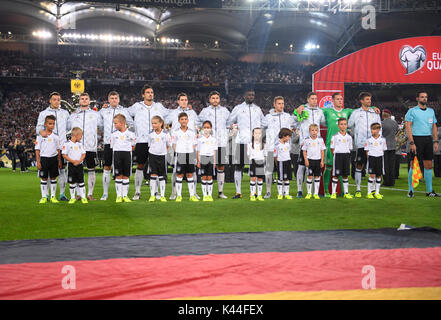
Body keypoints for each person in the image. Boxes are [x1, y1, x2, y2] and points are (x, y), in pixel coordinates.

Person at [321, 93, 380, 197]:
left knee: (342, 168)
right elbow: (313, 109)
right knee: (329, 167)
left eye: (341, 99)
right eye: (338, 99)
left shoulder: (347, 111)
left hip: (343, 146)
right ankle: (326, 191)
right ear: (333, 101)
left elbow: (363, 108)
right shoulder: (327, 111)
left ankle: (344, 191)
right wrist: (302, 106)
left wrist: (373, 107)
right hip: (331, 143)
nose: (340, 101)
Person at [128, 85, 169, 201]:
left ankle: (155, 192)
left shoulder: (159, 106)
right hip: (142, 141)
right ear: (143, 95)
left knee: (154, 168)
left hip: (156, 141)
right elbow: (125, 113)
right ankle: (137, 191)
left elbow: (170, 114)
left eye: (151, 92)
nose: (150, 94)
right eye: (147, 92)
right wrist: (133, 125)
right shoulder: (137, 106)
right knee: (140, 166)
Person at [227, 89, 267, 199]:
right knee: (238, 167)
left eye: (253, 95)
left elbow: (264, 123)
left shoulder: (257, 109)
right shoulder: (238, 108)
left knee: (257, 168)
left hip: (255, 144)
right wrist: (234, 128)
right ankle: (238, 192)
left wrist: (258, 134)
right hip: (242, 142)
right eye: (249, 95)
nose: (251, 96)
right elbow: (229, 122)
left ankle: (255, 193)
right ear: (244, 96)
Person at [67, 92, 103, 201]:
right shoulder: (73, 115)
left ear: (89, 101)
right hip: (76, 147)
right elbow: (68, 127)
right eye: (82, 98)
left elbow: (101, 128)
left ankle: (90, 194)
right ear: (79, 101)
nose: (84, 100)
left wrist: (95, 137)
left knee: (91, 169)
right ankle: (79, 194)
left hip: (90, 146)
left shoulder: (95, 114)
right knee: (77, 169)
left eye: (86, 98)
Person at [99, 91, 133, 201]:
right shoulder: (103, 111)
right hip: (108, 143)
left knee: (122, 170)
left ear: (118, 99)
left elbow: (131, 124)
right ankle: (105, 193)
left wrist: (126, 135)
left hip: (122, 144)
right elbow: (99, 125)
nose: (114, 100)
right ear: (108, 100)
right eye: (112, 98)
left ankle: (123, 195)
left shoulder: (124, 111)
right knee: (107, 167)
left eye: (116, 98)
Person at [405, 91, 440, 197]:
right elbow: (408, 127)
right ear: (417, 99)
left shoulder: (431, 111)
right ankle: (410, 190)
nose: (424, 99)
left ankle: (429, 191)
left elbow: (434, 126)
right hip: (416, 139)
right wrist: (411, 142)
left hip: (428, 140)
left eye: (426, 97)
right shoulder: (412, 111)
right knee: (413, 165)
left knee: (429, 165)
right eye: (422, 97)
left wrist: (435, 141)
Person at [167, 93, 201, 200]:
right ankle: (174, 193)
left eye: (186, 100)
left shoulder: (192, 113)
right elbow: (165, 124)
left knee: (192, 171)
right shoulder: (173, 113)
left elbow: (198, 125)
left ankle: (194, 192)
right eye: (182, 100)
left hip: (190, 147)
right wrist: (169, 137)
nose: (184, 102)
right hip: (177, 146)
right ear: (178, 101)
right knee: (176, 171)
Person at [36, 92, 70, 201]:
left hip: (62, 146)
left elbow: (69, 126)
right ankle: (47, 195)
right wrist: (42, 133)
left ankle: (62, 194)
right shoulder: (43, 113)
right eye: (54, 99)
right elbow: (38, 128)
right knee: (49, 173)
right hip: (48, 146)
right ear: (50, 100)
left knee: (62, 170)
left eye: (58, 99)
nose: (56, 101)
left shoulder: (65, 113)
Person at [347, 92, 382, 198]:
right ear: (361, 101)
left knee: (375, 168)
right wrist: (355, 135)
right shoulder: (356, 113)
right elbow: (349, 126)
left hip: (374, 145)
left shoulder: (375, 112)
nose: (369, 101)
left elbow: (380, 128)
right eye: (367, 99)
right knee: (359, 166)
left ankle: (374, 191)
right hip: (361, 144)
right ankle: (358, 189)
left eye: (370, 99)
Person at [293, 92, 326, 198]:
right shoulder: (302, 110)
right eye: (312, 98)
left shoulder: (320, 111)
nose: (314, 100)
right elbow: (295, 120)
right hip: (305, 142)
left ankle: (314, 192)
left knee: (316, 169)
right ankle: (299, 190)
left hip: (316, 144)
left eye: (316, 99)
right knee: (302, 167)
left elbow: (325, 123)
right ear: (307, 99)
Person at [198, 91, 230, 199]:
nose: (215, 100)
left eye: (217, 98)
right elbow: (198, 124)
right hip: (207, 144)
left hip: (221, 143)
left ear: (219, 99)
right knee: (207, 168)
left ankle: (220, 192)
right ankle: (206, 193)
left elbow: (230, 124)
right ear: (209, 99)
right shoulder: (204, 111)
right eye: (213, 98)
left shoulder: (225, 111)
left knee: (221, 167)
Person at [263, 96, 293, 198]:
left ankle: (284, 193)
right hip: (271, 147)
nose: (281, 105)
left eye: (282, 103)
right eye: (279, 103)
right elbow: (261, 128)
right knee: (268, 170)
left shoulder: (288, 116)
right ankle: (268, 192)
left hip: (283, 149)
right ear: (274, 104)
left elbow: (292, 128)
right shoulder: (268, 117)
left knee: (284, 171)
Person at [171, 112, 199, 202]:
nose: (184, 121)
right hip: (180, 154)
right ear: (179, 121)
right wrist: (178, 152)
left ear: (188, 120)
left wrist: (190, 151)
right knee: (179, 175)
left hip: (190, 154)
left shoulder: (191, 132)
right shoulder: (175, 132)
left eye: (185, 119)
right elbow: (173, 144)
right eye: (182, 119)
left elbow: (195, 144)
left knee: (190, 174)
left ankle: (192, 195)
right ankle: (179, 195)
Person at [35, 115, 62, 204]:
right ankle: (44, 197)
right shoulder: (40, 136)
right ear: (45, 124)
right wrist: (38, 162)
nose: (52, 126)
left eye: (53, 124)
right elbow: (37, 150)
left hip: (53, 159)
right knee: (44, 178)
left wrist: (59, 161)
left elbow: (58, 149)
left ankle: (53, 197)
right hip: (44, 159)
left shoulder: (56, 136)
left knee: (53, 178)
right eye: (50, 124)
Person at [111, 114, 136, 203]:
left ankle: (125, 196)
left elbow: (133, 146)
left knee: (126, 175)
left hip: (127, 155)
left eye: (115, 123)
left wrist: (127, 150)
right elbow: (112, 146)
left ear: (122, 123)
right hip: (117, 154)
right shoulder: (114, 134)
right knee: (118, 175)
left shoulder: (131, 134)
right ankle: (119, 196)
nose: (114, 125)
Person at [147, 116, 171, 202]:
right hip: (152, 155)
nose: (153, 125)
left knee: (162, 176)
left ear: (160, 123)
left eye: (155, 123)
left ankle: (163, 195)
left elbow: (169, 145)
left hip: (162, 156)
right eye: (152, 123)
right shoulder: (150, 134)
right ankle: (152, 195)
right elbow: (149, 144)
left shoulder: (166, 133)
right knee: (153, 175)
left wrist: (164, 152)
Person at [62, 127, 87, 204]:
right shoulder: (67, 144)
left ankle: (83, 197)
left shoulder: (80, 144)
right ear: (76, 135)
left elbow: (84, 154)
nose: (81, 137)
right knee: (72, 182)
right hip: (71, 165)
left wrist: (79, 161)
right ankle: (72, 197)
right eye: (81, 135)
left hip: (79, 165)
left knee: (81, 181)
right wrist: (73, 161)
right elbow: (64, 155)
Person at [330, 118, 353, 199]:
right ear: (338, 125)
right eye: (341, 124)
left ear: (347, 125)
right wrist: (336, 155)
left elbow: (350, 148)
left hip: (346, 156)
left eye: (345, 124)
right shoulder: (335, 136)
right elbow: (332, 148)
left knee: (345, 175)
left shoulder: (349, 137)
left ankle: (346, 192)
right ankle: (333, 193)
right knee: (336, 175)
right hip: (338, 156)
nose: (343, 126)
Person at [302, 124, 326, 200]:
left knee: (317, 176)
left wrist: (322, 161)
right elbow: (304, 151)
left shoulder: (320, 140)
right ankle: (309, 193)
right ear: (309, 131)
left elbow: (322, 151)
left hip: (318, 160)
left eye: (316, 130)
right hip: (310, 160)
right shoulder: (306, 140)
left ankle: (315, 193)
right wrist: (306, 160)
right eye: (312, 130)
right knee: (309, 176)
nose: (314, 132)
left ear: (318, 131)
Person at [364, 123, 387, 199]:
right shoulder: (368, 140)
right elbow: (366, 150)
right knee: (372, 175)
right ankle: (369, 192)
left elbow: (383, 150)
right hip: (372, 158)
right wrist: (369, 158)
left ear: (378, 130)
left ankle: (377, 192)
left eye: (375, 129)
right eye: (372, 129)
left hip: (379, 158)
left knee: (378, 175)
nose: (373, 131)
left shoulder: (383, 139)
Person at [197, 121, 217, 202]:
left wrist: (215, 162)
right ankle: (205, 195)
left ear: (211, 129)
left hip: (211, 158)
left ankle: (210, 195)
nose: (206, 129)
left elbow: (215, 151)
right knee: (204, 177)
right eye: (205, 127)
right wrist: (198, 161)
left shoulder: (213, 139)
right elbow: (198, 150)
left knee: (210, 177)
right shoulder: (200, 139)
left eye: (208, 127)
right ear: (202, 129)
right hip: (203, 158)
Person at [247, 128, 266, 201]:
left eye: (259, 133)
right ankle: (252, 195)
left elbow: (265, 154)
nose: (258, 135)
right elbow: (248, 154)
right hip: (253, 162)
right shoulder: (250, 144)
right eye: (256, 133)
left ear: (261, 135)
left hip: (261, 161)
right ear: (253, 134)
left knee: (260, 179)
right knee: (253, 178)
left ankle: (259, 195)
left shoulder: (263, 144)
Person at [274, 128, 293, 200]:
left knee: (287, 178)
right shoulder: (277, 145)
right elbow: (275, 156)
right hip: (281, 162)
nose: (289, 138)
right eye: (288, 136)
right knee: (280, 179)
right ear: (284, 136)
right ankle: (280, 194)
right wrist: (277, 163)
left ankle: (286, 194)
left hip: (287, 162)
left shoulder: (288, 144)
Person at [381, 109, 399, 186]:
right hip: (393, 146)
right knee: (392, 165)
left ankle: (386, 181)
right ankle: (392, 181)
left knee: (385, 165)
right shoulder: (395, 123)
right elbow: (397, 132)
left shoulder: (382, 123)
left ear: (383, 115)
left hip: (384, 146)